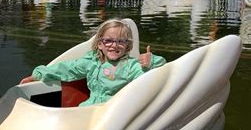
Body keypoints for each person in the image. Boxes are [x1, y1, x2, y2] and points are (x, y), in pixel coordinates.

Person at [20, 18, 166, 106]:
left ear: (127, 46)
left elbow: (154, 79)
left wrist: (153, 62)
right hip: (89, 108)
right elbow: (67, 69)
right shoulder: (91, 61)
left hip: (114, 112)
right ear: (100, 44)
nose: (114, 45)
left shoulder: (130, 66)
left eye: (121, 41)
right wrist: (38, 74)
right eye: (108, 41)